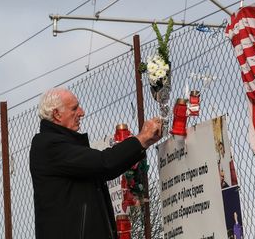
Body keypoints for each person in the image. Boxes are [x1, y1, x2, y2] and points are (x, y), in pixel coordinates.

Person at [30, 88, 163, 239]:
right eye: (74, 108)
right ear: (57, 114)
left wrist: (143, 143)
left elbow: (104, 165)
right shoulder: (48, 145)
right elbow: (105, 163)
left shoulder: (60, 145)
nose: (82, 112)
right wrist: (142, 139)